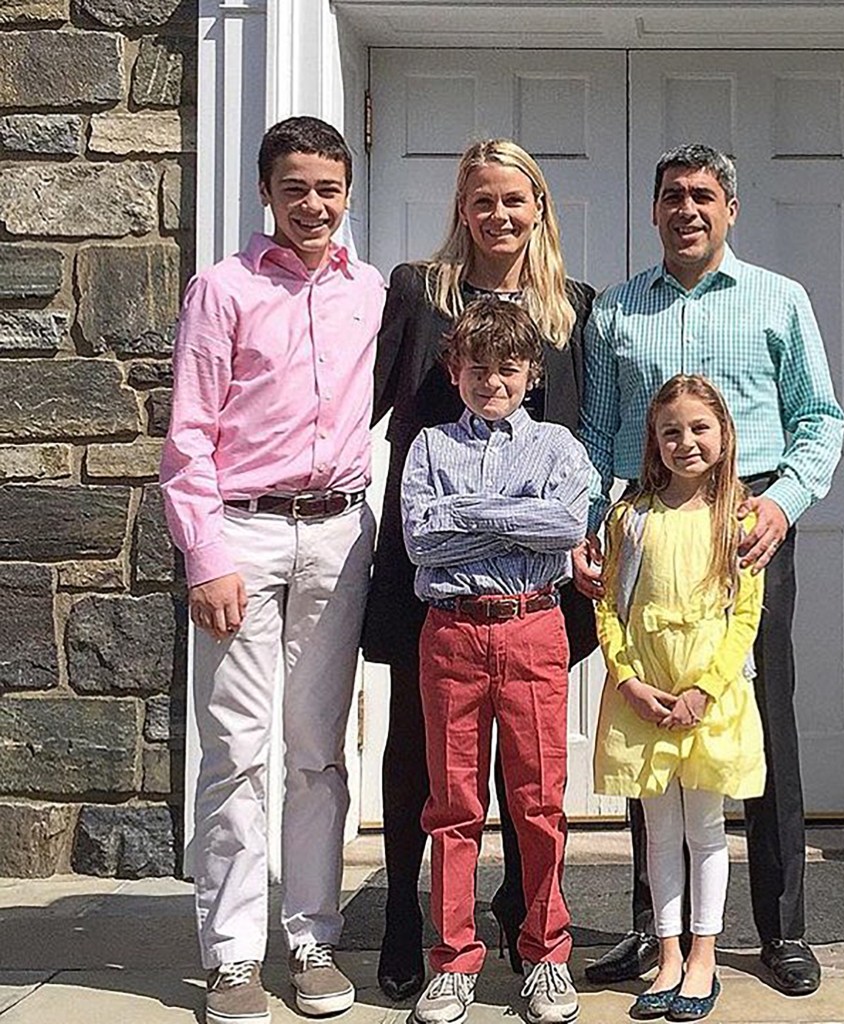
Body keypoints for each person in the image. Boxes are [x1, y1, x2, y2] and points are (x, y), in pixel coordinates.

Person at [578, 144, 844, 996]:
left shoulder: (779, 300)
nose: (686, 208)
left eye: (702, 195)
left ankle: (781, 929)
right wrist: (590, 530)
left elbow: (820, 418)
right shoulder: (618, 311)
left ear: (730, 209)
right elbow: (594, 430)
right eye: (671, 196)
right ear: (653, 211)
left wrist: (781, 505)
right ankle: (649, 928)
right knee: (645, 721)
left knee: (758, 718)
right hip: (645, 526)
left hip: (747, 525)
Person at [160, 116, 385, 1024]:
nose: (313, 204)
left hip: (338, 534)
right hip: (243, 537)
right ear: (266, 192)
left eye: (328, 188)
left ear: (348, 191)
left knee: (318, 754)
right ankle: (230, 956)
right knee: (236, 752)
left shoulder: (369, 290)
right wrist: (205, 555)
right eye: (295, 187)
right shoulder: (223, 291)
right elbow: (187, 437)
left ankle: (312, 938)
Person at [364, 138, 597, 1001]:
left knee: (529, 772)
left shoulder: (574, 307)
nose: (500, 215)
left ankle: (524, 921)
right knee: (422, 758)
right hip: (437, 580)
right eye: (483, 200)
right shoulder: (418, 293)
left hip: (540, 585)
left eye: (516, 199)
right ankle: (404, 917)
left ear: (539, 208)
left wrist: (575, 532)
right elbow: (371, 403)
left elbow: (589, 433)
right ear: (463, 209)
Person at [401, 298, 592, 1024]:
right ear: (455, 371)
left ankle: (545, 955)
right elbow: (423, 541)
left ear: (530, 373)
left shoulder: (558, 448)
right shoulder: (426, 449)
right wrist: (514, 515)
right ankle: (452, 962)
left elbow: (565, 526)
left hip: (532, 630)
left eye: (507, 369)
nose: (492, 382)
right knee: (453, 807)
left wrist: (471, 510)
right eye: (478, 368)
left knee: (539, 803)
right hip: (450, 634)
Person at [593, 374, 765, 1022]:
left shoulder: (738, 518)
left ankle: (703, 956)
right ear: (653, 442)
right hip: (647, 694)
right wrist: (629, 680)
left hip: (708, 700)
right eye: (671, 431)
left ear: (722, 434)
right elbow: (610, 607)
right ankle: (666, 953)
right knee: (659, 833)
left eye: (699, 428)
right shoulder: (631, 517)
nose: (685, 442)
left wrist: (705, 689)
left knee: (706, 829)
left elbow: (745, 617)